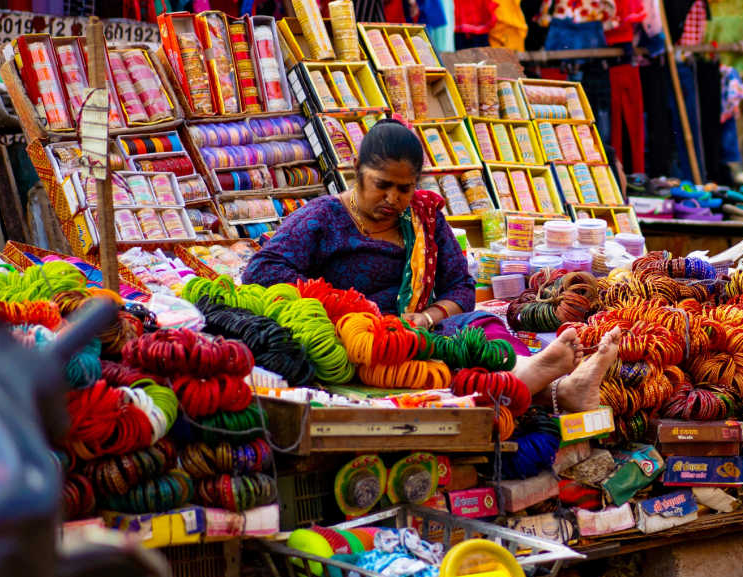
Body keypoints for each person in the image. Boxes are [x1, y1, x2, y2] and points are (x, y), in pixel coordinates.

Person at [244, 119, 618, 409]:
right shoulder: (322, 217)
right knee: (437, 364)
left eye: (403, 189)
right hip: (353, 342)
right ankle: (548, 385)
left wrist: (426, 318)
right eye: (381, 184)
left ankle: (537, 375)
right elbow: (261, 273)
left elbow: (461, 288)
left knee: (475, 326)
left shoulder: (425, 217)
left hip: (416, 331)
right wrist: (343, 309)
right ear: (356, 170)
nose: (392, 198)